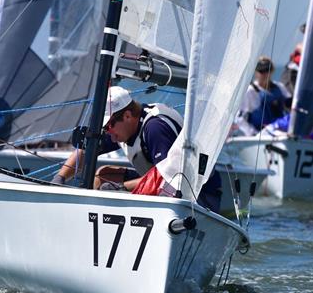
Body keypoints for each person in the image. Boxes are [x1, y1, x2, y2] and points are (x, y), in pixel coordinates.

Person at [51, 86, 222, 212]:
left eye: (109, 126)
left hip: (198, 197)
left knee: (111, 183)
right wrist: (59, 178)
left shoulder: (155, 128)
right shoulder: (122, 128)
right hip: (167, 187)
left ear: (127, 116)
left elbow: (166, 178)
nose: (108, 132)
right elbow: (87, 149)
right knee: (103, 176)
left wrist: (121, 188)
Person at [234, 56, 291, 136]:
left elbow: (292, 106)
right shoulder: (250, 91)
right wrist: (252, 133)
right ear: (255, 72)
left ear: (272, 71)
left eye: (267, 69)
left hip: (279, 133)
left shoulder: (280, 87)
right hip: (259, 135)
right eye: (261, 70)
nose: (264, 73)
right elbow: (239, 118)